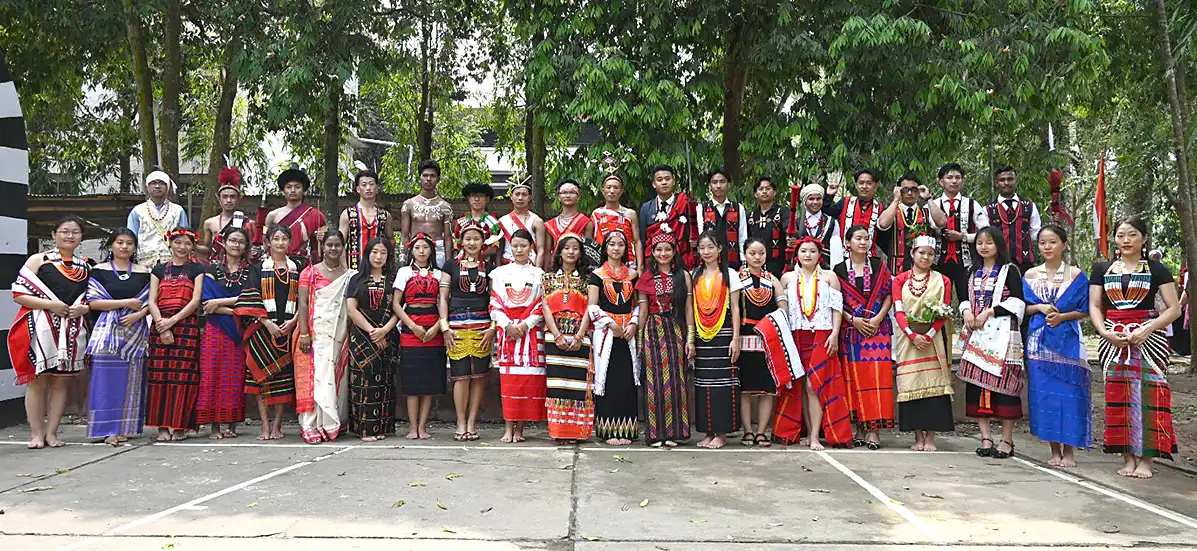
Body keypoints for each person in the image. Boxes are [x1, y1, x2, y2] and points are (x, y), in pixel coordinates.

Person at [1089, 216, 1180, 479]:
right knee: (1119, 395)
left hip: (1150, 341)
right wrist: (1105, 332)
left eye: (1132, 235)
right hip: (1113, 340)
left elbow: (1174, 309)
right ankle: (1127, 457)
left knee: (1152, 395)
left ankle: (1147, 460)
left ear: (1144, 238)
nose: (1126, 240)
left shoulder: (1157, 270)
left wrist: (1148, 329)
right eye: (1120, 235)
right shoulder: (1102, 269)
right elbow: (1094, 305)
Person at [9, 216, 91, 448]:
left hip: (73, 329)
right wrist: (51, 305)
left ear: (81, 237)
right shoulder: (39, 260)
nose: (70, 236)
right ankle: (36, 434)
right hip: (41, 326)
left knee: (61, 381)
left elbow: (92, 299)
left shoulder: (86, 266)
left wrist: (84, 309)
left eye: (75, 232)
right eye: (64, 231)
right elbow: (19, 293)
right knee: (38, 380)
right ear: (54, 234)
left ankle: (52, 433)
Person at [1024, 225, 1090, 467]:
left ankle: (1069, 451)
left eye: (1052, 242)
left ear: (1064, 244)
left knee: (1071, 395)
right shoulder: (1030, 275)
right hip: (1038, 342)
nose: (1047, 247)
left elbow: (1086, 309)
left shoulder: (1077, 275)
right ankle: (1054, 450)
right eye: (1042, 242)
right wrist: (1039, 308)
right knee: (1045, 396)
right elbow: (1022, 307)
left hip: (1068, 341)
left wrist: (1063, 317)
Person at [958, 227, 1026, 459]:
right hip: (976, 334)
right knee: (977, 387)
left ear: (998, 244)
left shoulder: (1010, 270)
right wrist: (967, 312)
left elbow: (1018, 301)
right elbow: (963, 298)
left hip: (1002, 335)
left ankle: (1007, 440)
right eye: (980, 243)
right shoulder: (971, 271)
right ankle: (985, 438)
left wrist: (989, 312)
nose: (984, 247)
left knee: (1006, 388)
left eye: (989, 242)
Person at [779, 238, 852, 449]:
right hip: (797, 335)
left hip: (822, 333)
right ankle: (807, 431)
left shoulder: (829, 277)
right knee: (801, 386)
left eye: (812, 251)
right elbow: (781, 309)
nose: (808, 255)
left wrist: (835, 333)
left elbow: (837, 308)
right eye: (803, 251)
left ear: (820, 254)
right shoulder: (787, 278)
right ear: (797, 254)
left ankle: (814, 437)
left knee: (814, 385)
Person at [85, 228, 151, 446]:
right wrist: (125, 303)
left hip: (135, 333)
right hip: (107, 335)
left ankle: (126, 427)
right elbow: (93, 302)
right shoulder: (98, 270)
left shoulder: (144, 272)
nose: (124, 247)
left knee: (131, 381)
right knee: (104, 382)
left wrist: (138, 314)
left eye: (129, 243)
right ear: (111, 245)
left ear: (135, 247)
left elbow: (151, 301)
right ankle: (105, 429)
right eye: (120, 242)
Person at [235, 225, 301, 440]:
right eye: (276, 238)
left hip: (288, 329)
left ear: (290, 242)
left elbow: (306, 298)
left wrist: (294, 321)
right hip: (262, 329)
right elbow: (250, 298)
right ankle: (264, 424)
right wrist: (266, 323)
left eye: (284, 239)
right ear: (268, 242)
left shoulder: (298, 267)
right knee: (260, 380)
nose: (280, 243)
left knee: (283, 381)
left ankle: (278, 425)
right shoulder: (256, 269)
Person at [892, 235, 956, 451]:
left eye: (930, 254)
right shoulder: (899, 280)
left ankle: (930, 438)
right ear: (912, 254)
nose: (925, 257)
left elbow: (944, 311)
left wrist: (928, 334)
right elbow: (898, 311)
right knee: (911, 385)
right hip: (908, 339)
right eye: (921, 252)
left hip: (933, 339)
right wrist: (912, 335)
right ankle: (918, 437)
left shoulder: (943, 281)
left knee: (934, 387)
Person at [835, 225, 895, 449]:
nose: (863, 242)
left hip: (878, 330)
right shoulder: (839, 270)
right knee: (854, 380)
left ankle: (874, 431)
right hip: (852, 333)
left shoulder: (879, 266)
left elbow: (889, 294)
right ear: (848, 243)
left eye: (866, 238)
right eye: (858, 238)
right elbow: (836, 302)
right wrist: (853, 320)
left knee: (876, 379)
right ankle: (859, 428)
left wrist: (878, 318)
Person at [294, 231, 354, 443]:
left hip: (339, 335)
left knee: (336, 378)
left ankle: (331, 422)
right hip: (315, 335)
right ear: (323, 247)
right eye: (329, 245)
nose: (333, 249)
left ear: (343, 247)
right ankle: (310, 425)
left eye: (337, 245)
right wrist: (304, 333)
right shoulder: (309, 273)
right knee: (316, 378)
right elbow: (303, 304)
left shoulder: (350, 276)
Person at [146, 227, 205, 442]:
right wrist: (162, 324)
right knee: (159, 377)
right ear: (170, 244)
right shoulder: (159, 270)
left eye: (187, 243)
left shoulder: (197, 270)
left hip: (186, 327)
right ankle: (162, 427)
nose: (182, 247)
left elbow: (195, 301)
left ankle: (180, 425)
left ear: (193, 247)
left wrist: (172, 321)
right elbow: (151, 300)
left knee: (184, 378)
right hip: (160, 326)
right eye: (178, 242)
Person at [488, 229, 546, 443]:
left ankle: (520, 429)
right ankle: (508, 428)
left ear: (531, 247)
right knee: (509, 381)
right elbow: (494, 303)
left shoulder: (539, 274)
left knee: (527, 382)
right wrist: (507, 325)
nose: (519, 250)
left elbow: (542, 305)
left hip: (530, 333)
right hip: (507, 333)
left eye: (523, 245)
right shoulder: (499, 273)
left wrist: (524, 324)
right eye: (515, 246)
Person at [636, 230, 693, 447]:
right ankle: (655, 434)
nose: (663, 254)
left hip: (676, 329)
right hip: (652, 329)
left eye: (667, 249)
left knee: (676, 380)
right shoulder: (646, 278)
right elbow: (643, 312)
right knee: (654, 382)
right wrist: (640, 341)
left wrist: (690, 338)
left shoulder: (683, 276)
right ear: (652, 252)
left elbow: (688, 308)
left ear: (674, 251)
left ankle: (675, 432)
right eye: (659, 249)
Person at [196, 227, 254, 439]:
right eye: (232, 240)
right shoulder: (212, 268)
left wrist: (220, 303)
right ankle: (214, 426)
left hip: (239, 330)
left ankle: (231, 424)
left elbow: (251, 299)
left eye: (241, 241)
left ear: (246, 246)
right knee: (212, 373)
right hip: (215, 329)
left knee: (235, 376)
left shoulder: (251, 271)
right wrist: (235, 309)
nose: (236, 245)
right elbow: (206, 303)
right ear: (224, 243)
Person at [441, 219, 495, 441]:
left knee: (479, 377)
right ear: (461, 241)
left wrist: (493, 328)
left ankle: (473, 422)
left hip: (483, 327)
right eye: (468, 239)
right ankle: (461, 421)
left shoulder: (489, 269)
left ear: (483, 242)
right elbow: (443, 298)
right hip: (456, 326)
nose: (472, 243)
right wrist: (444, 326)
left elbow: (494, 300)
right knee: (461, 376)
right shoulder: (450, 266)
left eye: (476, 239)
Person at [689, 230, 743, 449]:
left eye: (711, 247)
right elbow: (691, 307)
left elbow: (736, 308)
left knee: (723, 384)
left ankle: (722, 433)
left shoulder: (730, 274)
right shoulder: (695, 274)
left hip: (724, 332)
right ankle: (708, 431)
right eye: (702, 248)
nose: (706, 252)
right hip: (702, 334)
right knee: (703, 384)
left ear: (720, 249)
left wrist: (736, 338)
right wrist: (691, 338)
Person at [393, 233, 449, 440]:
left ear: (431, 251)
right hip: (411, 329)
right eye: (417, 248)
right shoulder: (404, 272)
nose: (421, 251)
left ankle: (423, 426)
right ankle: (412, 426)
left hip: (433, 329)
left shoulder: (440, 274)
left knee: (428, 382)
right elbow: (396, 304)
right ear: (411, 251)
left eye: (425, 247)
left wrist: (437, 327)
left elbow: (444, 303)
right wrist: (412, 326)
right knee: (412, 382)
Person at [540, 234, 595, 444]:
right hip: (555, 336)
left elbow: (590, 307)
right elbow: (546, 307)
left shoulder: (588, 279)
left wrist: (580, 335)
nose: (571, 252)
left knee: (577, 386)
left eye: (575, 248)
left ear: (580, 253)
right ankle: (559, 432)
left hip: (580, 336)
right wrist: (557, 335)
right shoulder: (547, 278)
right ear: (559, 252)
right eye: (566, 248)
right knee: (558, 385)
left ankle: (576, 432)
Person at [589, 230, 640, 446]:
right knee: (607, 379)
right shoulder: (597, 275)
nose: (616, 248)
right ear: (605, 248)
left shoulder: (633, 275)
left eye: (620, 244)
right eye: (611, 244)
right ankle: (608, 430)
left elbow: (638, 304)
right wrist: (610, 324)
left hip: (627, 333)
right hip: (606, 333)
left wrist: (633, 323)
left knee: (627, 379)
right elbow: (592, 306)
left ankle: (627, 430)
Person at [345, 237, 399, 442]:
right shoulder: (356, 279)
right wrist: (371, 331)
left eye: (383, 253)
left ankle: (382, 427)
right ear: (367, 254)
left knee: (384, 382)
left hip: (387, 336)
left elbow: (398, 310)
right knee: (362, 382)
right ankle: (364, 430)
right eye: (375, 252)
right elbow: (351, 309)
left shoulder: (393, 280)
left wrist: (384, 330)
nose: (378, 257)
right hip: (361, 338)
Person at [737, 238, 785, 446]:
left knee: (767, 388)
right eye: (752, 253)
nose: (757, 257)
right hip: (744, 336)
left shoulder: (772, 279)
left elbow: (782, 308)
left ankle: (762, 431)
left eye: (761, 253)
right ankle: (748, 431)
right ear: (745, 254)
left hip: (767, 337)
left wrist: (778, 321)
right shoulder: (737, 279)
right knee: (745, 388)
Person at [932, 163, 988, 301]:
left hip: (966, 263)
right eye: (949, 177)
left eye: (958, 177)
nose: (954, 181)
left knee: (968, 299)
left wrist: (963, 237)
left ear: (962, 181)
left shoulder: (972, 205)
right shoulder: (933, 204)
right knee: (938, 302)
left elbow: (986, 233)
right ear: (941, 181)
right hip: (937, 262)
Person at [877, 174, 946, 275]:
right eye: (905, 190)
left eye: (914, 189)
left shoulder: (926, 212)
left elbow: (942, 222)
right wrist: (896, 199)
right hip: (896, 271)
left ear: (918, 191)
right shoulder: (892, 211)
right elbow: (883, 224)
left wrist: (928, 198)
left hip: (921, 271)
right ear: (899, 190)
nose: (910, 193)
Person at [262, 166, 326, 268]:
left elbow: (325, 242)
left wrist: (322, 238)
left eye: (297, 187)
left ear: (303, 190)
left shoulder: (316, 215)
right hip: (277, 263)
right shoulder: (272, 216)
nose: (293, 190)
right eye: (288, 187)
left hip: (304, 264)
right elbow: (265, 242)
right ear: (283, 190)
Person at [639, 165, 698, 270]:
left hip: (681, 261)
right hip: (654, 263)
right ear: (653, 184)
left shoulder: (685, 204)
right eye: (659, 180)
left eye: (667, 179)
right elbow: (643, 240)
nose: (664, 182)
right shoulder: (646, 208)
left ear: (673, 180)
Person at [986, 166, 1042, 275]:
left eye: (1010, 179)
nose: (1006, 183)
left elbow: (1036, 234)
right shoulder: (988, 209)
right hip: (998, 264)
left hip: (1025, 264)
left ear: (1015, 181)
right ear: (996, 183)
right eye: (1002, 180)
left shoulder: (1029, 206)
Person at [128, 170, 189, 266]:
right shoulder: (137, 211)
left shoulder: (178, 210)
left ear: (167, 187)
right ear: (147, 187)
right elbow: (131, 238)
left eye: (161, 183)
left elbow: (185, 237)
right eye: (153, 183)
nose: (157, 186)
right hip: (144, 263)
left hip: (173, 262)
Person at [401, 159, 456, 265]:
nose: (428, 179)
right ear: (419, 178)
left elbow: (448, 237)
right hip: (415, 250)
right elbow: (405, 235)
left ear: (438, 179)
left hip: (438, 251)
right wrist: (403, 257)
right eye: (425, 175)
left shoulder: (445, 207)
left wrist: (448, 263)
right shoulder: (408, 205)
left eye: (432, 176)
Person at [199, 166, 257, 263]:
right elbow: (207, 249)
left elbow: (252, 249)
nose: (228, 200)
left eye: (232, 197)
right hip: (216, 267)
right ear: (219, 199)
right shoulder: (209, 223)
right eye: (225, 197)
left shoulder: (249, 224)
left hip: (240, 267)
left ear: (239, 199)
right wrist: (193, 245)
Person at [338, 170, 394, 271]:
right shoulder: (348, 214)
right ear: (358, 189)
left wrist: (390, 267)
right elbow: (340, 243)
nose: (368, 188)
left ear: (377, 188)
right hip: (354, 267)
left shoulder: (385, 216)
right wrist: (344, 269)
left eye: (371, 184)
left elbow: (391, 242)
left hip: (379, 268)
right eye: (364, 185)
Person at [823, 168, 883, 256]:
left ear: (876, 185)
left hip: (868, 257)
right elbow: (826, 217)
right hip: (844, 256)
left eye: (869, 183)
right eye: (861, 183)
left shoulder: (879, 208)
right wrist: (829, 196)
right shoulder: (845, 202)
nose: (864, 186)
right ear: (856, 184)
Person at [696, 169, 748, 270]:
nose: (718, 186)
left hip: (734, 262)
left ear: (729, 184)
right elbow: (700, 236)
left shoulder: (738, 208)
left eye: (722, 182)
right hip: (710, 262)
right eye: (714, 182)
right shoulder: (701, 208)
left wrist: (743, 260)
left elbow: (742, 236)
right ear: (710, 185)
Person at [591, 170, 642, 268]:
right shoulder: (596, 214)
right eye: (608, 187)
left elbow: (637, 241)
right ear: (603, 190)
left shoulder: (630, 214)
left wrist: (640, 266)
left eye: (616, 188)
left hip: (627, 262)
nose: (612, 191)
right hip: (602, 263)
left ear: (621, 191)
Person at [542, 179, 593, 269]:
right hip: (556, 269)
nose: (568, 195)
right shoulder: (550, 224)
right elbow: (547, 252)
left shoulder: (586, 222)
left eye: (572, 192)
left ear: (578, 197)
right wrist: (547, 271)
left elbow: (589, 251)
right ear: (559, 197)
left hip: (578, 268)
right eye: (564, 192)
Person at [747, 176, 792, 278]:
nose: (764, 192)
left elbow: (789, 230)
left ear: (774, 192)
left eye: (768, 188)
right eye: (760, 189)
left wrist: (790, 237)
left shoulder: (783, 212)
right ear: (755, 194)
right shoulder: (750, 215)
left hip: (778, 264)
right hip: (755, 263)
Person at [793, 183, 844, 269]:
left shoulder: (831, 222)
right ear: (805, 201)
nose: (815, 202)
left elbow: (837, 248)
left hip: (826, 268)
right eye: (811, 199)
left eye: (818, 199)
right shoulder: (797, 223)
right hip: (802, 268)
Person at [452, 182, 503, 264]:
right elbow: (456, 246)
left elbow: (495, 248)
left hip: (486, 264)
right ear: (468, 198)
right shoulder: (460, 222)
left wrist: (472, 255)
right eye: (473, 195)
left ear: (487, 199)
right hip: (462, 263)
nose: (476, 199)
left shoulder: (494, 223)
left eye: (481, 196)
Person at [498, 180, 546, 265]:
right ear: (511, 196)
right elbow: (499, 250)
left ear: (529, 197)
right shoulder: (502, 221)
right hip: (507, 265)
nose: (520, 198)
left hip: (529, 265)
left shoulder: (537, 221)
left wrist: (537, 270)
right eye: (517, 194)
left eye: (524, 194)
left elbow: (541, 250)